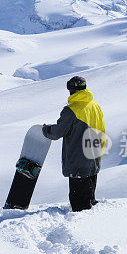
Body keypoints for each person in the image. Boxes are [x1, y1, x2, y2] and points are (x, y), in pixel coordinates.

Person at [42, 76, 106, 211]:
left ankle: (82, 225)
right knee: (90, 199)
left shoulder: (71, 110)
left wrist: (45, 129)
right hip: (94, 154)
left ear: (71, 89)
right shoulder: (95, 106)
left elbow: (57, 132)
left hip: (78, 159)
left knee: (79, 205)